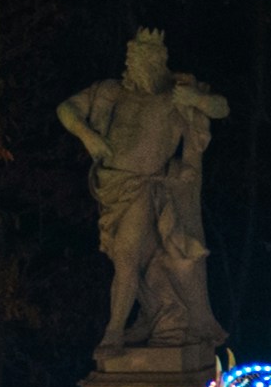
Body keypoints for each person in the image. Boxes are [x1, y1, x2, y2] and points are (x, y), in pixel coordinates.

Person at [59, 28, 230, 354]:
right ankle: (151, 316)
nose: (135, 63)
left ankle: (113, 332)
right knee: (140, 264)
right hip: (111, 189)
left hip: (144, 188)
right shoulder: (113, 92)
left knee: (127, 257)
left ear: (157, 60)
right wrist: (88, 136)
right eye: (133, 57)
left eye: (144, 57)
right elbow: (66, 110)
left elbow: (220, 107)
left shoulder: (175, 96)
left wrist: (195, 99)